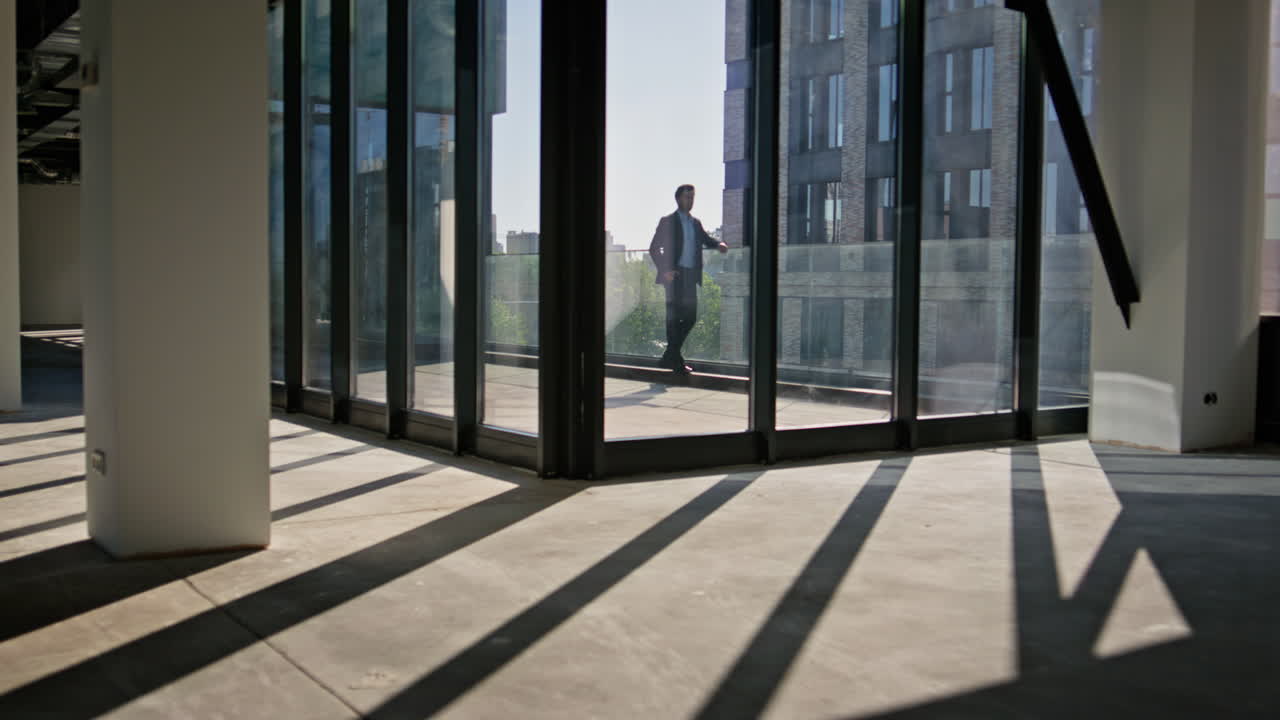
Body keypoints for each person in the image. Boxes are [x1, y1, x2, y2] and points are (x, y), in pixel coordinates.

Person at [648, 184, 728, 375]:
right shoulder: (668, 221)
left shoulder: (695, 223)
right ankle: (676, 362)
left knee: (691, 317)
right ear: (678, 199)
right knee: (674, 319)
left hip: (690, 276)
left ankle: (669, 356)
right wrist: (665, 270)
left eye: (692, 197)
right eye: (686, 197)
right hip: (674, 277)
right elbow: (654, 248)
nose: (690, 201)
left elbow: (706, 239)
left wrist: (719, 244)